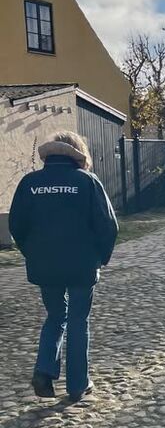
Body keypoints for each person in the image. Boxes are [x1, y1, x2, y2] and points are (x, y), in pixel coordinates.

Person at [9, 131, 118, 402]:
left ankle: (44, 371)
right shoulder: (87, 181)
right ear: (78, 153)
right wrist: (101, 257)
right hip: (82, 264)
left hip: (45, 265)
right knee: (79, 320)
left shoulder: (30, 183)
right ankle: (78, 384)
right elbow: (108, 225)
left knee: (56, 316)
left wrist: (32, 254)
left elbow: (16, 225)